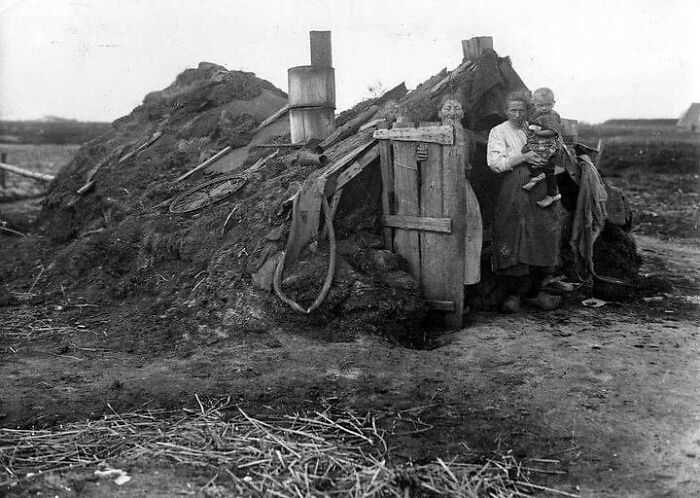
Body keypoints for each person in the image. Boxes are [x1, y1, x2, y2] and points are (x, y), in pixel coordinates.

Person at [487, 90, 561, 312]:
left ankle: (534, 292)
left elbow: (554, 146)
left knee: (542, 233)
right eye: (513, 110)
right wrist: (524, 157)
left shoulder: (534, 127)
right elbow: (495, 163)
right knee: (514, 235)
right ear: (506, 111)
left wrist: (547, 157)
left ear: (528, 110)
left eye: (521, 110)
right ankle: (514, 294)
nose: (518, 114)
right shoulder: (499, 131)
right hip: (515, 188)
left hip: (540, 187)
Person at [417, 95, 483, 286]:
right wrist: (419, 155)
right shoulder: (428, 131)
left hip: (462, 186)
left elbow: (471, 162)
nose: (452, 113)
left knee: (469, 227)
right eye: (447, 108)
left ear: (463, 113)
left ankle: (467, 281)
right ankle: (437, 282)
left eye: (457, 108)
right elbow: (416, 158)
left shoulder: (469, 136)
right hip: (434, 188)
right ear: (439, 113)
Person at [521, 87, 563, 208]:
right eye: (540, 105)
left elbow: (553, 131)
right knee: (526, 151)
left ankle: (552, 194)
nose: (544, 108)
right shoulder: (537, 113)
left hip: (549, 143)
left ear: (553, 103)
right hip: (539, 142)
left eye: (548, 105)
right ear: (534, 104)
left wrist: (538, 132)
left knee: (548, 166)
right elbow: (533, 124)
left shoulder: (552, 115)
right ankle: (537, 176)